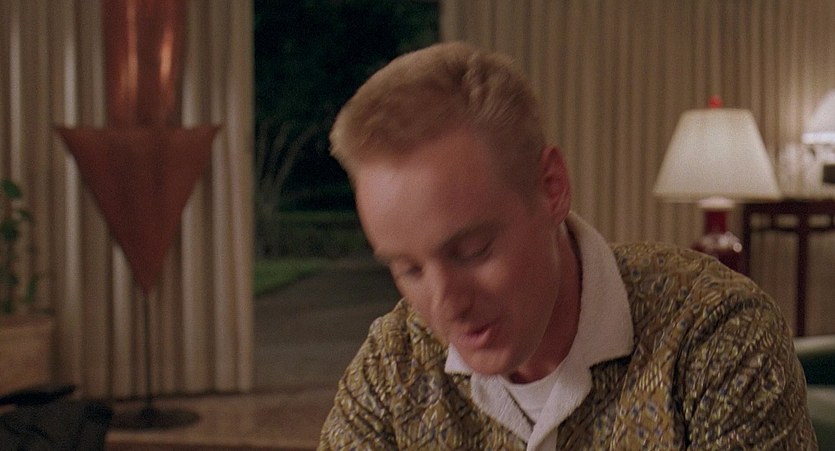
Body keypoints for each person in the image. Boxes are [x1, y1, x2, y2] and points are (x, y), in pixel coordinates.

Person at [317, 41, 816, 450]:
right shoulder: (392, 366)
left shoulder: (717, 335)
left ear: (551, 187)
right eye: (409, 269)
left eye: (473, 251)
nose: (446, 305)